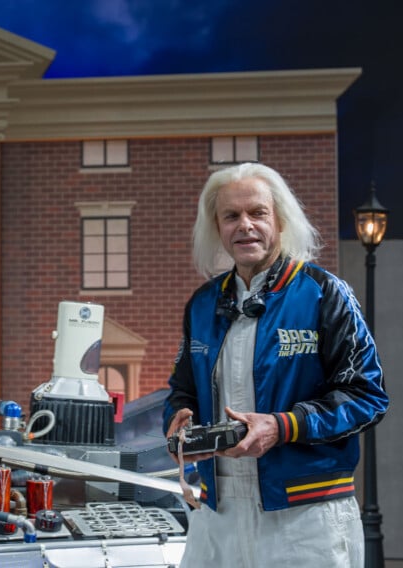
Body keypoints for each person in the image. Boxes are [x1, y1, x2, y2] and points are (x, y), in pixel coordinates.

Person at [163, 162, 388, 567]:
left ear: (280, 220)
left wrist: (282, 426)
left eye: (257, 213)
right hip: (217, 515)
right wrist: (178, 419)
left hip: (307, 516)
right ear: (218, 227)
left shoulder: (324, 293)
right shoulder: (202, 304)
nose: (245, 225)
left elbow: (367, 397)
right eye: (231, 216)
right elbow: (183, 391)